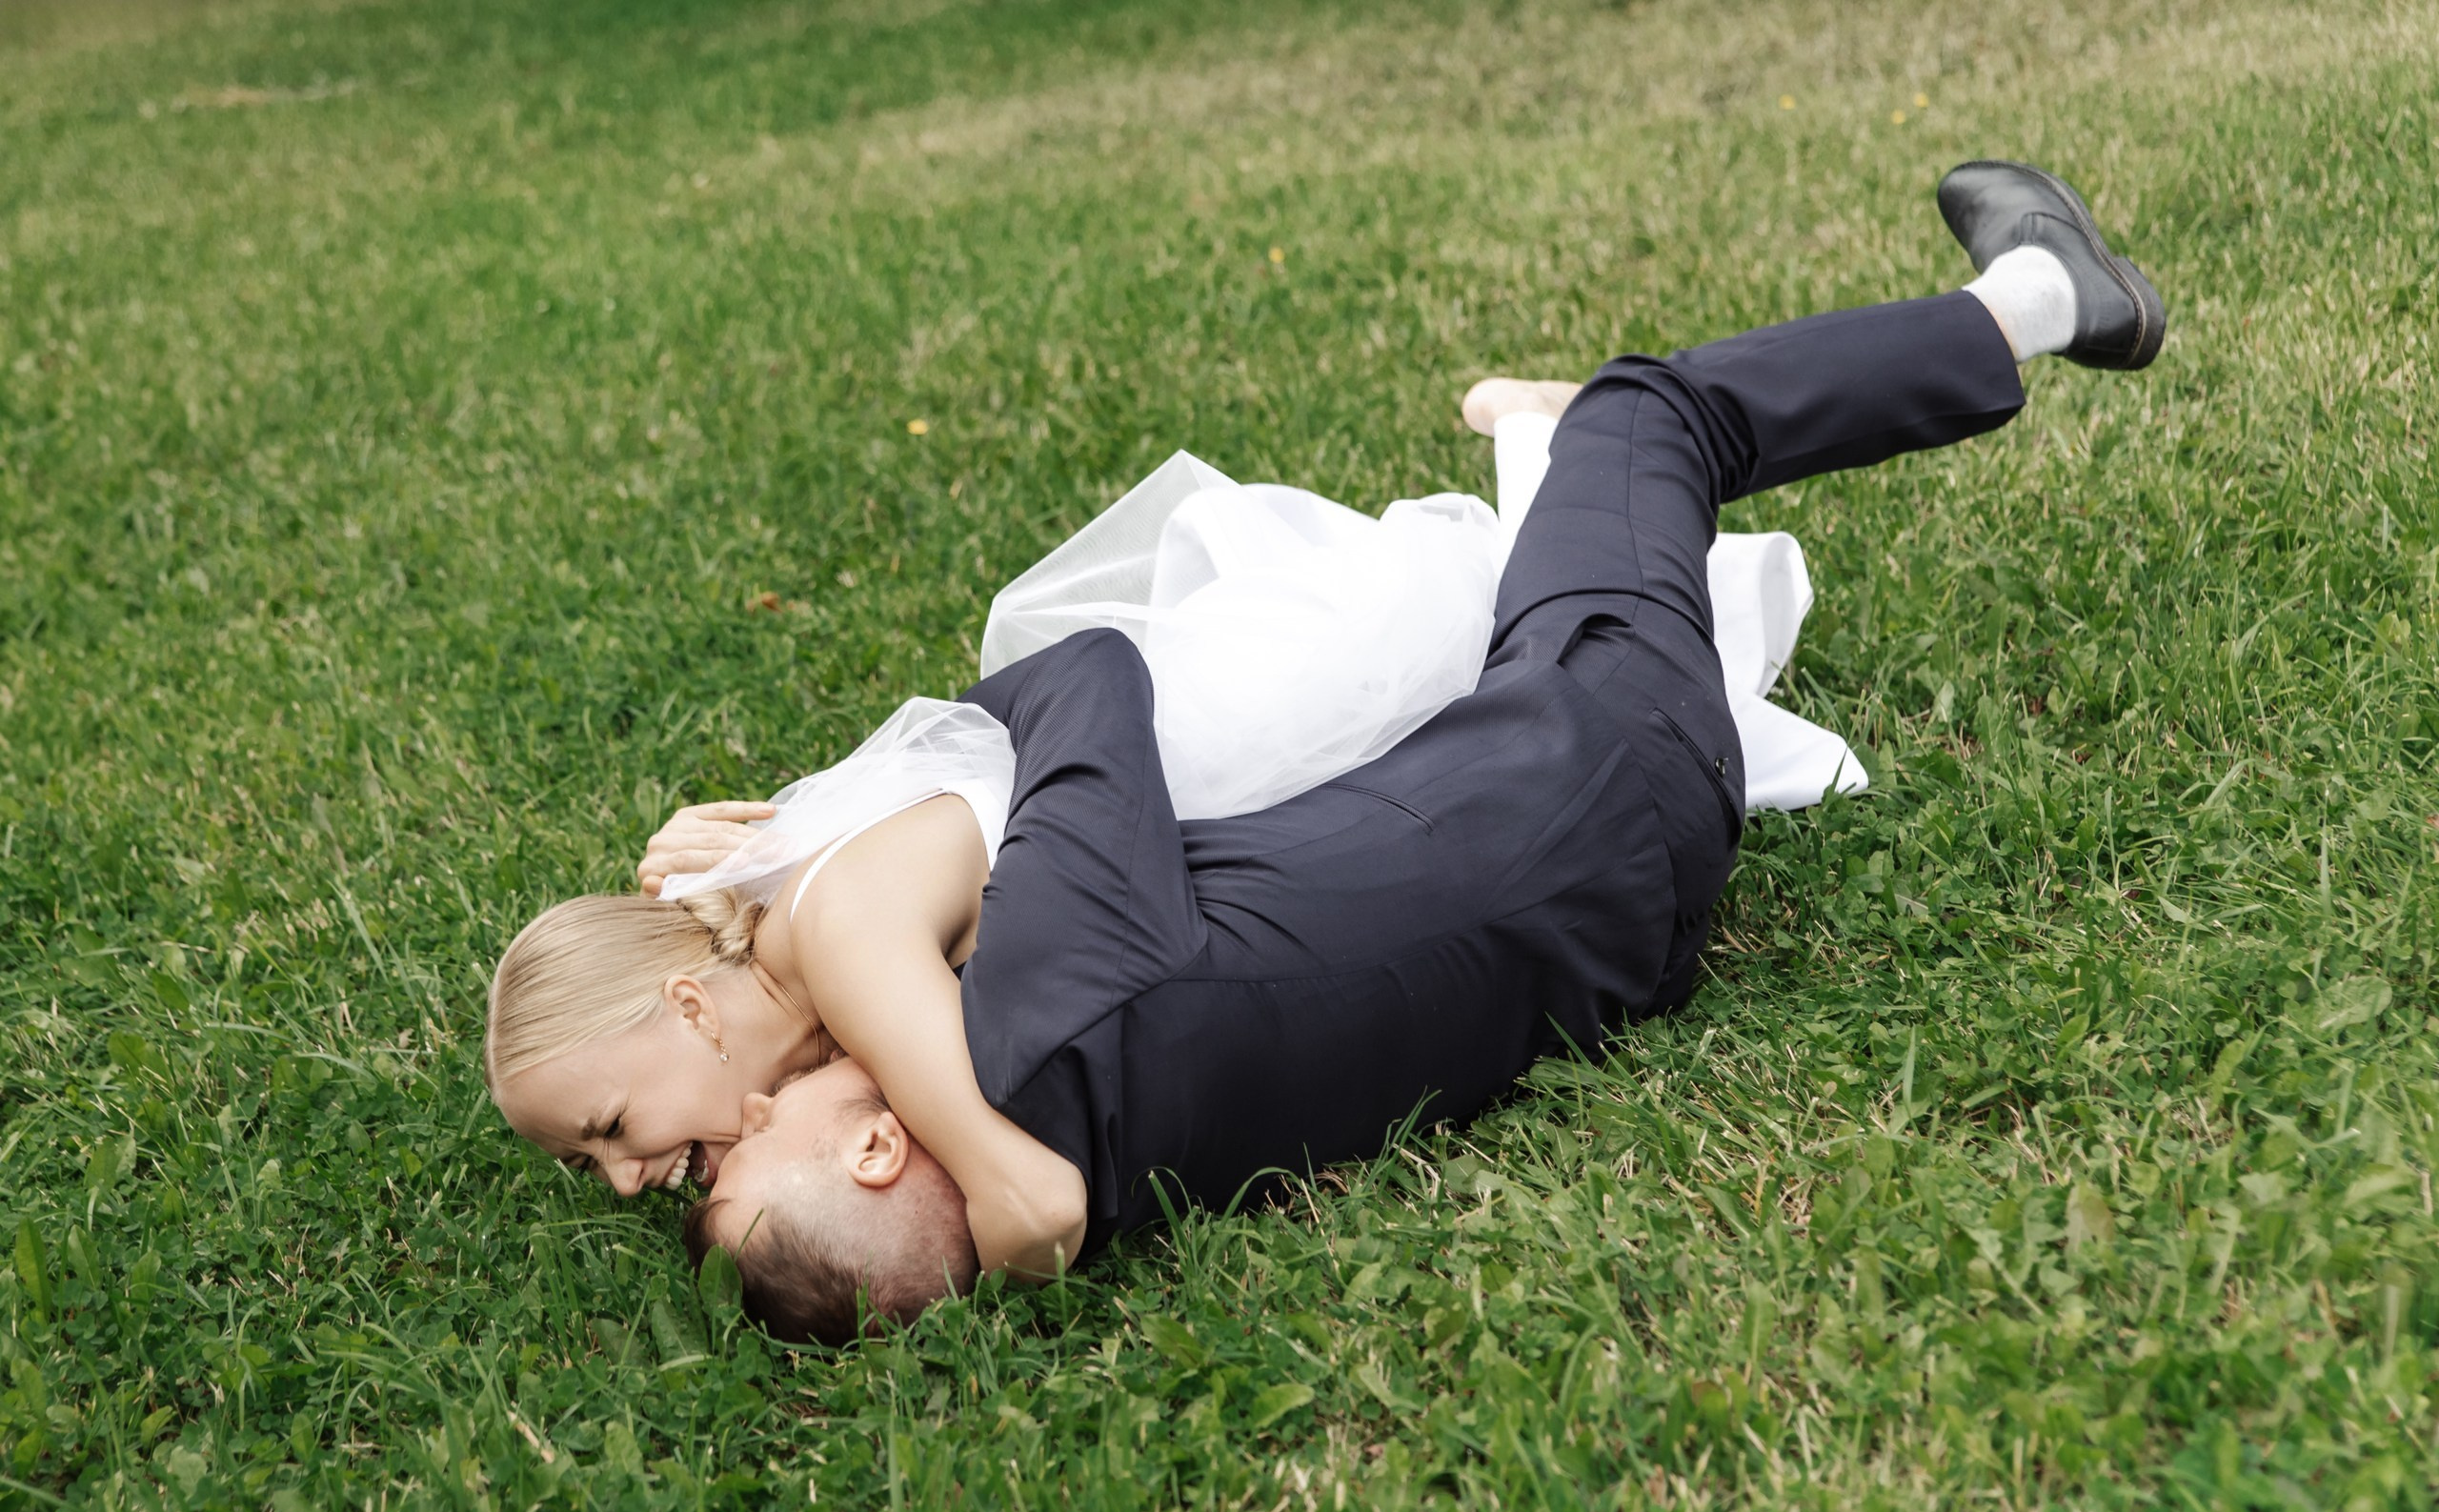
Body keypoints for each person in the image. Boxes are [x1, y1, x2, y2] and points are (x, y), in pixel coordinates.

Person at [490, 160, 2164, 1341]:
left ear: (693, 1007)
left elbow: (921, 976)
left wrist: (917, 1037)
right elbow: (1076, 687)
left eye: (611, 1130)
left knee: (1555, 527)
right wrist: (969, 1117)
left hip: (1598, 922)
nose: (632, 1178)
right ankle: (2035, 294)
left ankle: (1550, 461)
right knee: (1655, 417)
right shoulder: (1001, 1008)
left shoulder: (1003, 1056)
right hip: (1595, 768)